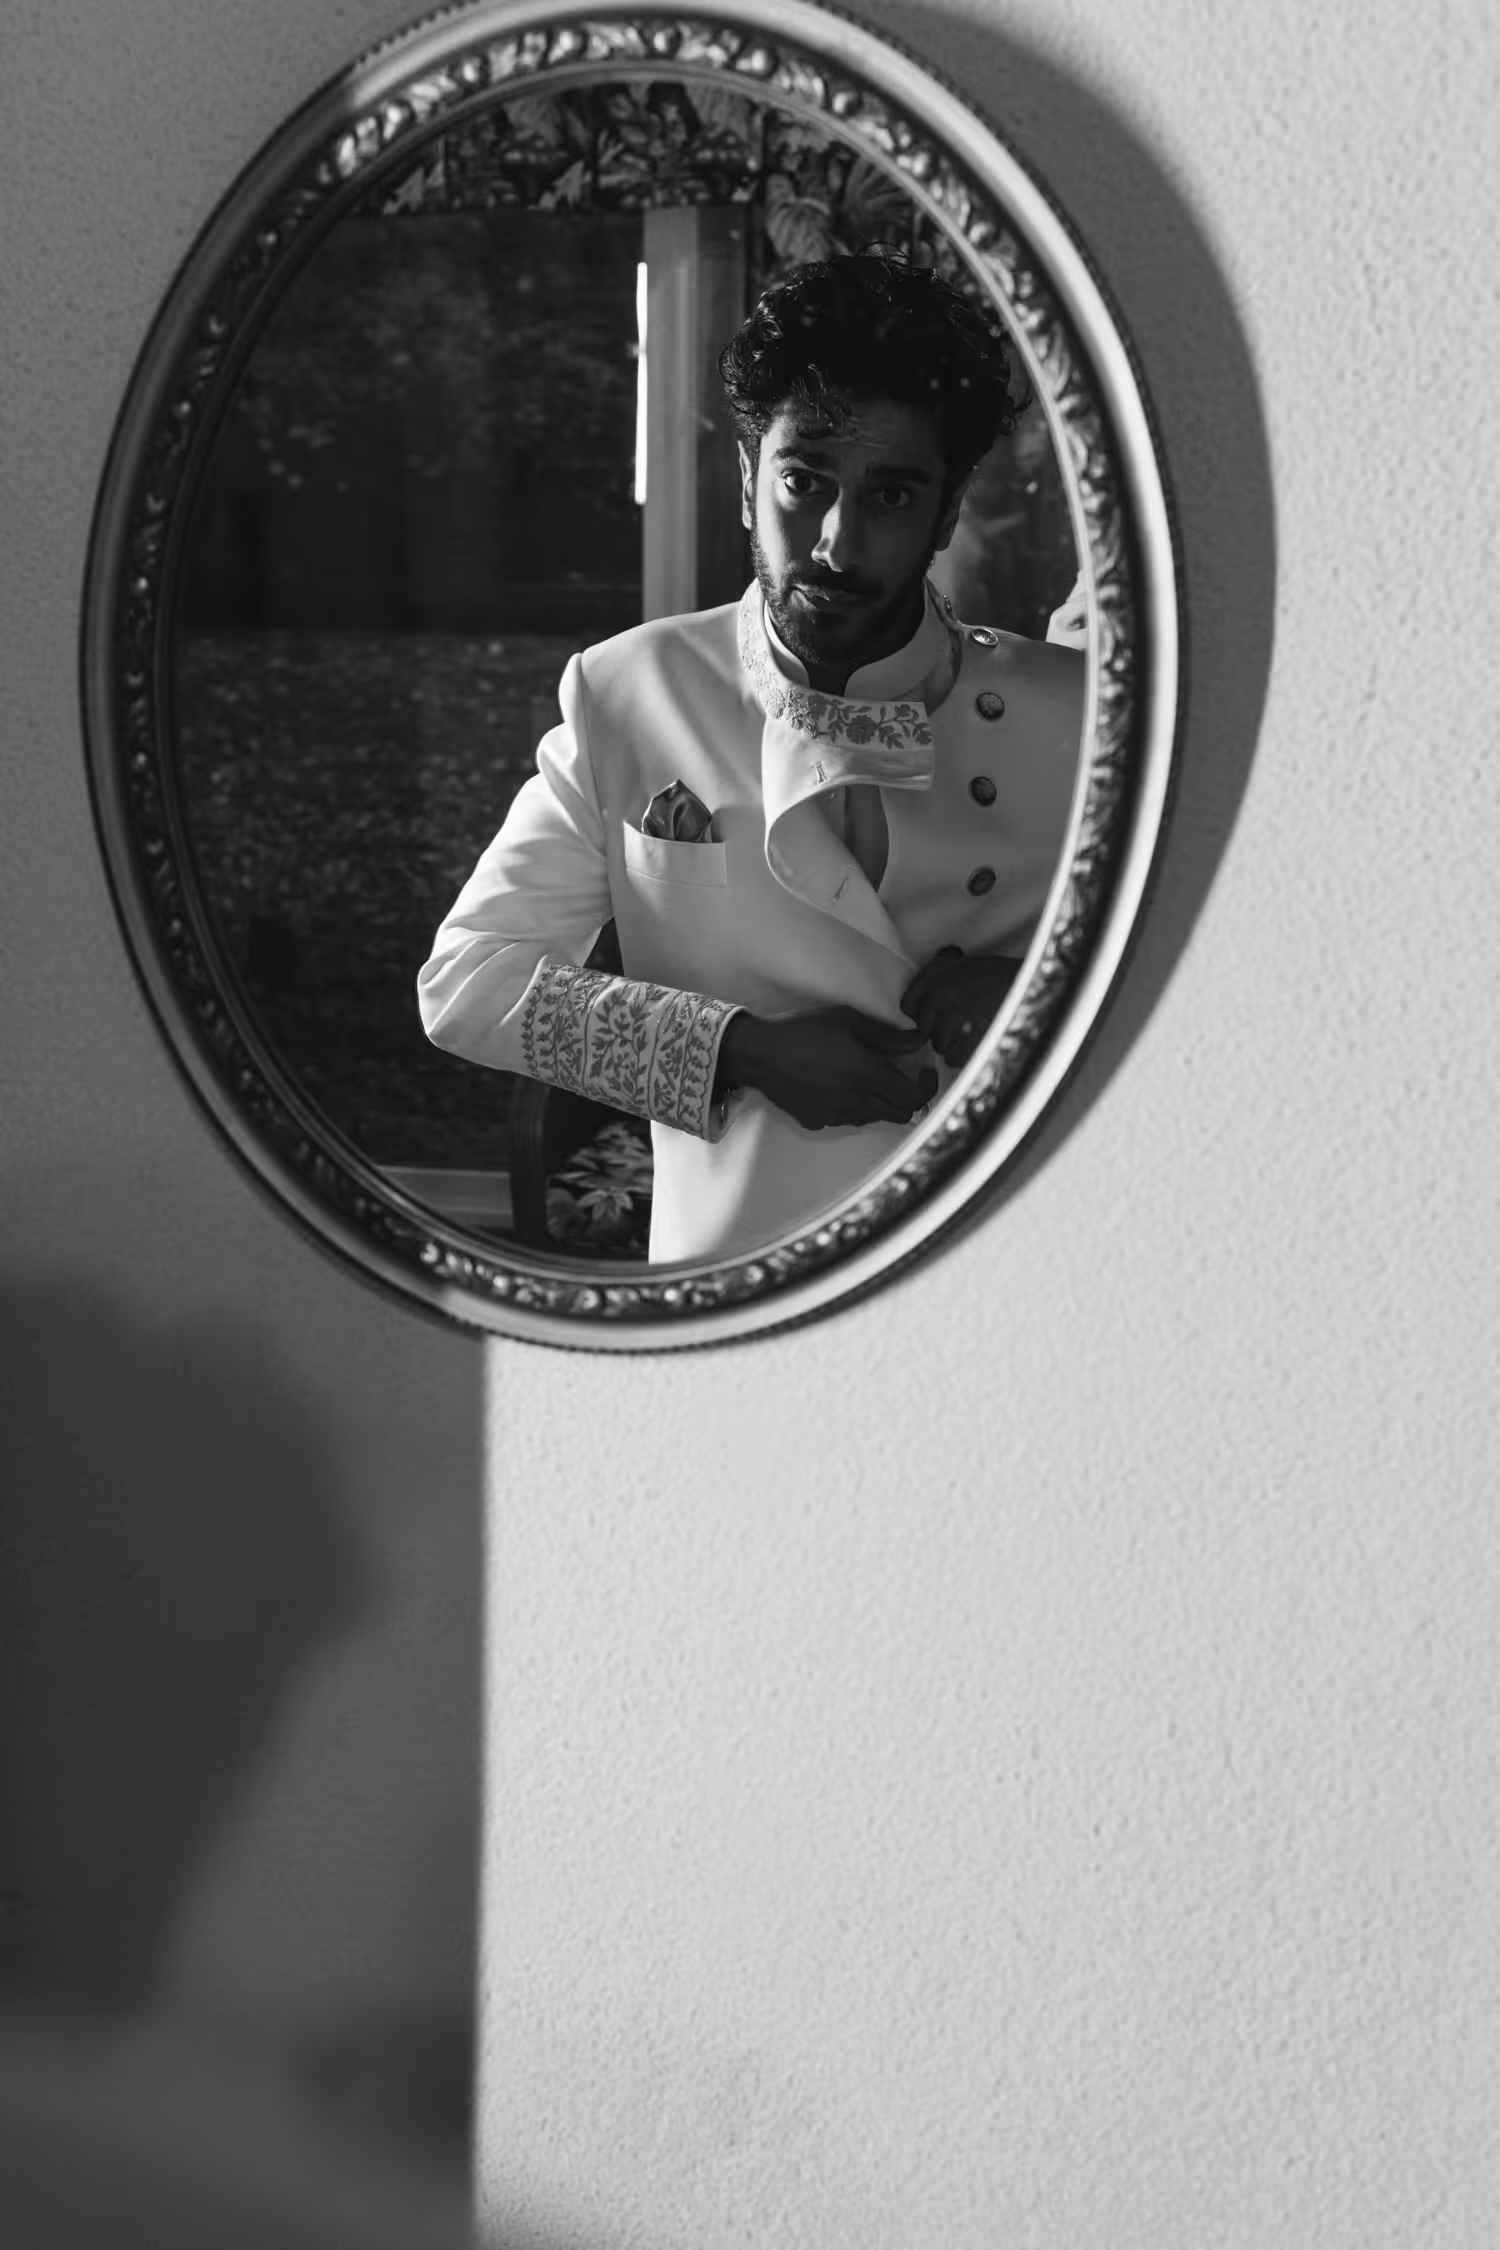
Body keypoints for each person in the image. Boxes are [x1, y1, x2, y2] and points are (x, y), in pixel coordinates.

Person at [418, 252, 1084, 1263]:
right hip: (738, 1280)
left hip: (1013, 1256)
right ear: (745, 481)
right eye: (804, 481)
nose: (836, 540)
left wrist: (1054, 998)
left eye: (893, 497)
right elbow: (465, 984)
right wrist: (739, 1047)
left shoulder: (1078, 715)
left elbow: (1239, 998)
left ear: (947, 514)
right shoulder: (628, 693)